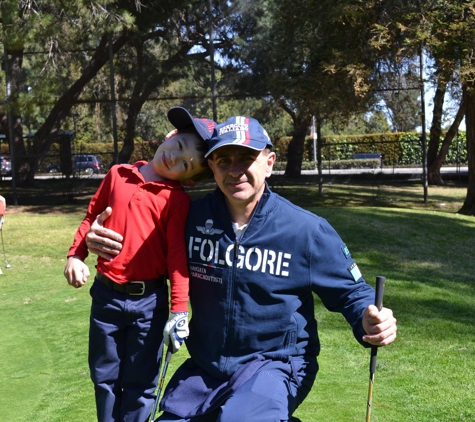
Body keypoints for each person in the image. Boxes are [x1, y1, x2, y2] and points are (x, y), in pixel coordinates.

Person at [86, 116, 398, 422]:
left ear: (269, 162)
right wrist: (96, 238)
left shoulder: (306, 230)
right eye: (223, 160)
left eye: (246, 158)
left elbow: (353, 293)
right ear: (211, 166)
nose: (235, 171)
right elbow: (140, 248)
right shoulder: (187, 219)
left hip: (277, 365)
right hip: (207, 370)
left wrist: (369, 319)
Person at [64, 106, 215, 422]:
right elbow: (92, 216)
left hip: (150, 305)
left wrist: (178, 311)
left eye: (186, 164)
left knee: (140, 383)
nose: (176, 158)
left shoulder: (177, 200)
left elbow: (177, 259)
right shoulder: (117, 174)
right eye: (181, 146)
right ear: (171, 135)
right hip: (105, 297)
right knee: (104, 378)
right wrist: (75, 256)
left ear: (188, 181)